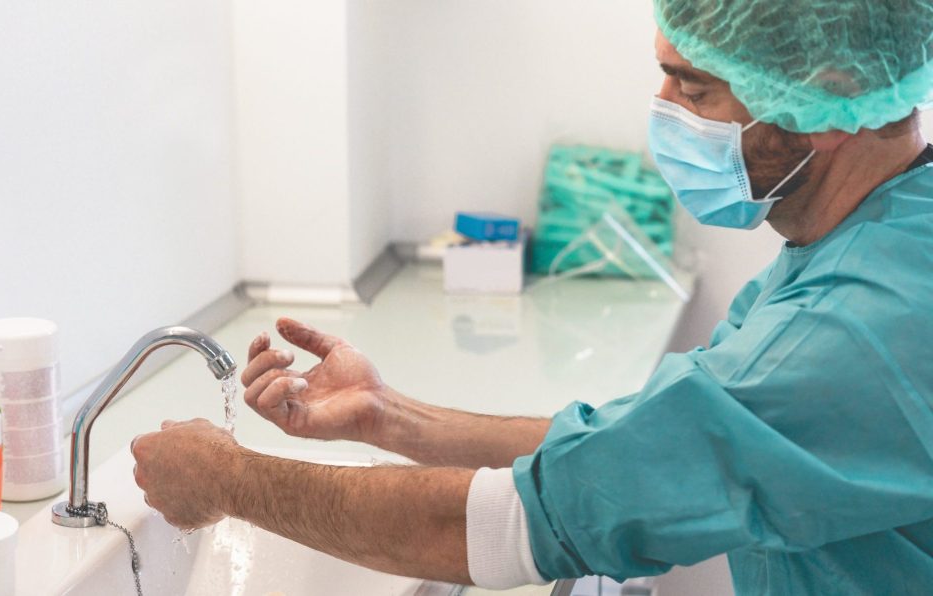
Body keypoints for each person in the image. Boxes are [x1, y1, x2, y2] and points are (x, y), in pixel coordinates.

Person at [131, 1, 933, 593]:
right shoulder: (873, 238)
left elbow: (505, 525)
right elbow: (640, 447)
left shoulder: (852, 329)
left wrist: (229, 482)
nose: (663, 112)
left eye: (694, 90)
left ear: (826, 95)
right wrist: (389, 416)